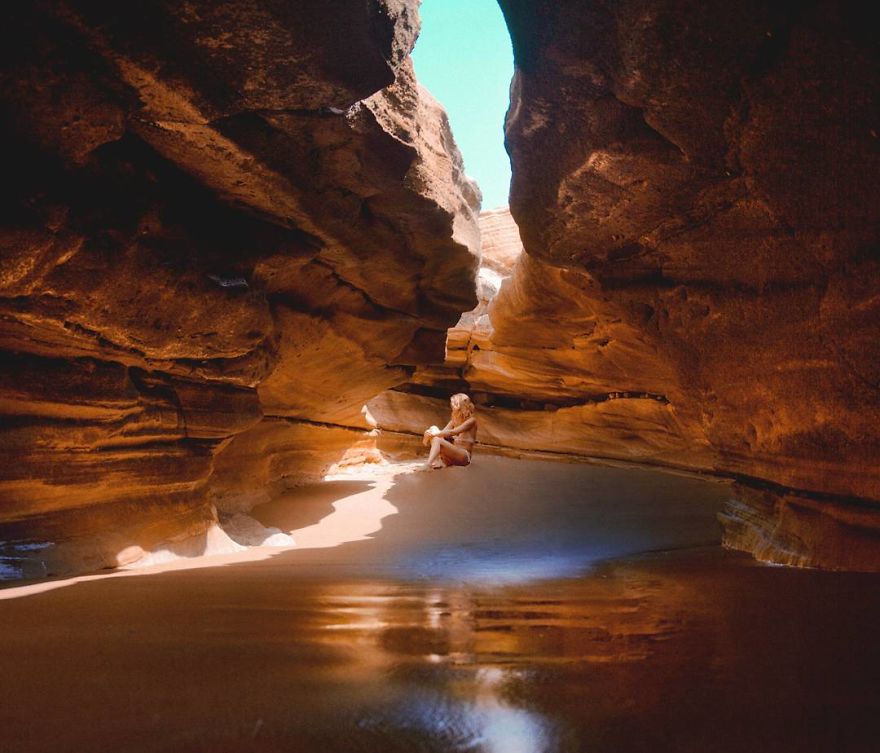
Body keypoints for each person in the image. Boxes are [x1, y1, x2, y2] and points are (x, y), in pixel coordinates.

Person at [423, 393, 477, 469]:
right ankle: (440, 461)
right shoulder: (454, 421)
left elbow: (453, 432)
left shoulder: (471, 421)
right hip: (453, 455)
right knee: (434, 429)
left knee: (437, 437)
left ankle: (428, 464)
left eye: (454, 405)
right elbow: (442, 433)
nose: (452, 408)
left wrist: (434, 434)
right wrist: (430, 432)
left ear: (461, 406)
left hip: (464, 457)